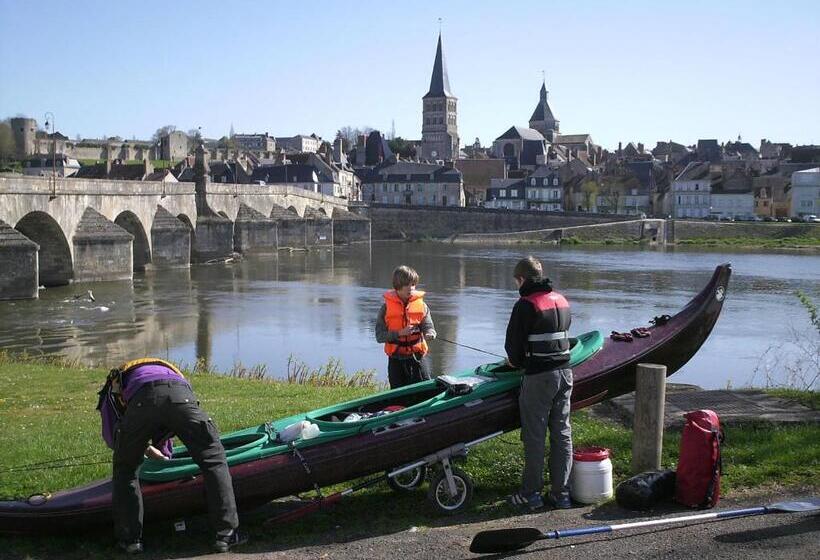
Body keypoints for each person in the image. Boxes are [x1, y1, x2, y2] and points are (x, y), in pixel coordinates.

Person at [97, 358, 247, 554]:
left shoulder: (114, 386)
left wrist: (136, 451)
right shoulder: (171, 373)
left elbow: (114, 436)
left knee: (125, 470)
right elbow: (168, 417)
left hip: (141, 400)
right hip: (181, 396)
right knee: (214, 460)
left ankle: (130, 540)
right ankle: (226, 534)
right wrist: (156, 452)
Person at [504, 256, 574, 512]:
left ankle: (531, 494)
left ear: (521, 279)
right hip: (565, 373)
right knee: (562, 433)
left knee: (535, 436)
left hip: (539, 377)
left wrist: (515, 361)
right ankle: (561, 494)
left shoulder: (525, 304)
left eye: (516, 281)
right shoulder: (561, 300)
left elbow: (513, 348)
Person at [375, 265, 437, 389]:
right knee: (398, 394)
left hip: (418, 358)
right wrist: (399, 333)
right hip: (396, 360)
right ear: (397, 286)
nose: (411, 288)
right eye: (406, 285)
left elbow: (428, 325)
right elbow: (379, 336)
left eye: (413, 284)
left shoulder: (422, 306)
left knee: (425, 390)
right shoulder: (386, 308)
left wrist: (430, 333)